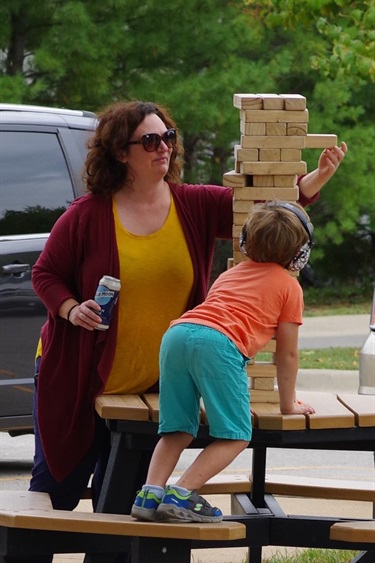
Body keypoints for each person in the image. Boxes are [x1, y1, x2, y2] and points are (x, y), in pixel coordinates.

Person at [14, 99, 345, 563]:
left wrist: (314, 182)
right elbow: (45, 274)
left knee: (126, 511)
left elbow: (266, 210)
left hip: (149, 388)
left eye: (168, 137)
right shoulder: (87, 214)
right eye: (150, 140)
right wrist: (71, 309)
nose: (163, 147)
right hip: (76, 377)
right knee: (54, 494)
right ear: (120, 152)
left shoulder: (193, 203)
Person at [131, 200, 316, 524]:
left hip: (177, 335)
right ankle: (182, 493)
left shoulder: (231, 273)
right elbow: (285, 353)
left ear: (246, 242)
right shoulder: (290, 287)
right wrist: (288, 405)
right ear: (299, 253)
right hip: (220, 344)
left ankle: (150, 493)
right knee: (235, 434)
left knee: (177, 428)